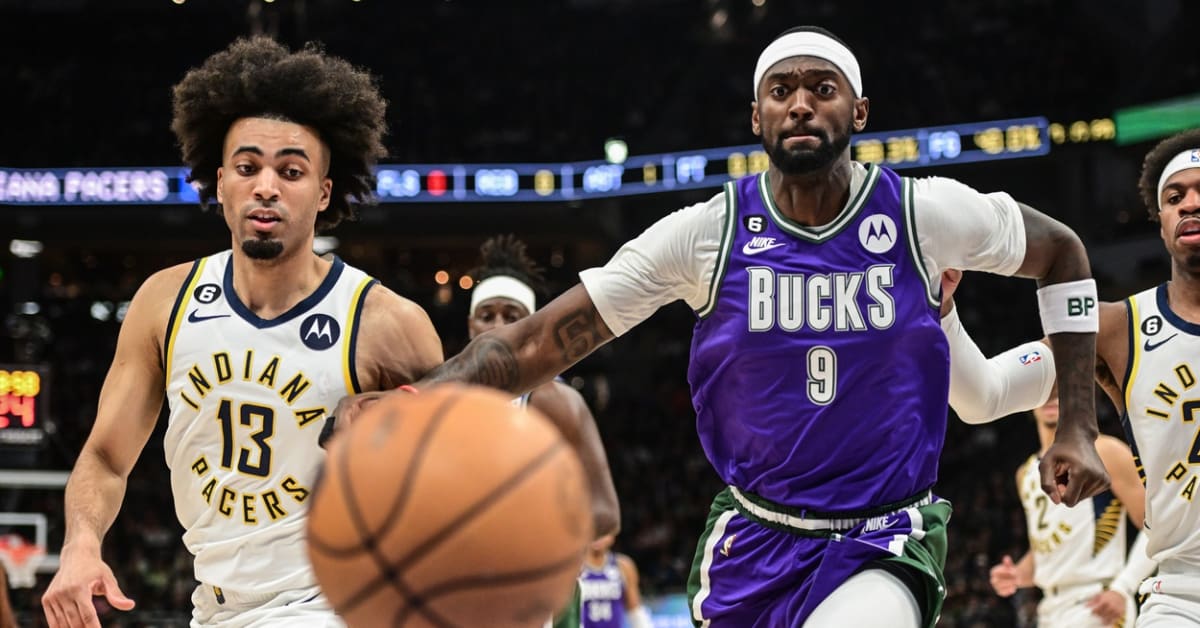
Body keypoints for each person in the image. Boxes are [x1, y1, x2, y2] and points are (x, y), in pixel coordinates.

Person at [338, 25, 1108, 627]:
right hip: (755, 536)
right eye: (781, 90)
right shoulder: (706, 232)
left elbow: (1064, 254)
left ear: (859, 112)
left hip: (883, 533)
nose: (800, 102)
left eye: (822, 88)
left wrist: (1074, 422)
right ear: (756, 115)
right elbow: (546, 338)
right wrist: (422, 396)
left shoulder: (923, 212)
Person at [41, 36, 442, 628]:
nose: (267, 187)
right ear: (221, 180)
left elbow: (460, 473)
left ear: (324, 192)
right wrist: (80, 545)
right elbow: (105, 457)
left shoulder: (385, 323)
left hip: (336, 602)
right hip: (215, 607)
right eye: (249, 168)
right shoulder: (165, 302)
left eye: (292, 171)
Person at [945, 128, 1200, 626]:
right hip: (1182, 593)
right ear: (1161, 219)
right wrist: (943, 313)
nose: (1190, 204)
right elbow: (984, 398)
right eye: (1176, 196)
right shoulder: (1114, 328)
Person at [465, 234, 620, 540]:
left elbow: (605, 513)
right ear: (471, 326)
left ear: (530, 327)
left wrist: (531, 538)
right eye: (486, 316)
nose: (498, 326)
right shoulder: (444, 397)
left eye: (512, 316)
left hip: (535, 571)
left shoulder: (557, 400)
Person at [986, 395, 1153, 627]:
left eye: (1060, 388)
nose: (1052, 396)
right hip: (1049, 609)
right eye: (1043, 389)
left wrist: (1124, 586)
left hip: (1097, 603)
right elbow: (1047, 548)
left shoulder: (1102, 450)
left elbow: (1156, 526)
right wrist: (1018, 574)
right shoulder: (1024, 473)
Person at [577, 534, 652, 628]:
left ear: (613, 535)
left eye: (603, 532)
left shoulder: (623, 566)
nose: (598, 537)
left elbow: (635, 610)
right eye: (595, 531)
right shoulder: (573, 567)